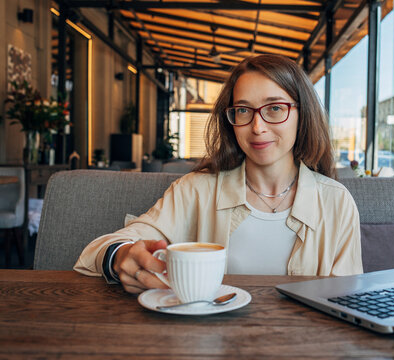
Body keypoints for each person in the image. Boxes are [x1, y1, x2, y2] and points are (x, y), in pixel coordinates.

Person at [74, 54, 363, 294]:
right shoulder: (196, 190)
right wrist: (122, 256)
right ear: (231, 119)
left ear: (303, 114)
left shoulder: (336, 203)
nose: (257, 127)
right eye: (242, 110)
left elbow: (346, 300)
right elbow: (98, 250)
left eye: (275, 108)